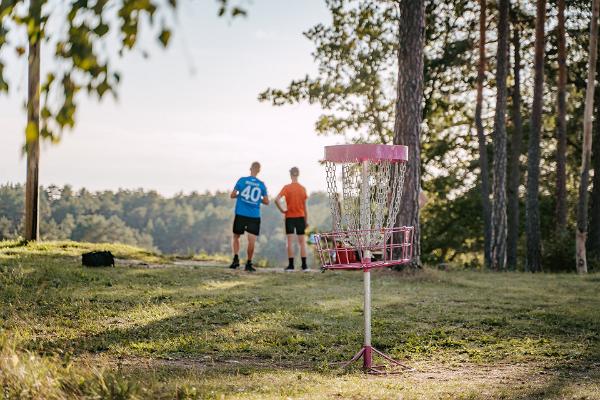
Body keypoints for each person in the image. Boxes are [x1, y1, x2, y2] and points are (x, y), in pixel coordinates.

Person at [229, 161, 269, 272]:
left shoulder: (242, 180)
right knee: (251, 240)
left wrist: (240, 195)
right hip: (254, 216)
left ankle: (236, 260)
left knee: (236, 236)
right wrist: (256, 199)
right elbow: (266, 201)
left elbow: (232, 195)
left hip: (241, 213)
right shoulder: (261, 184)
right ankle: (249, 263)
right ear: (259, 170)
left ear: (250, 169)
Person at [275, 166, 309, 271]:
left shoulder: (287, 187)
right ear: (298, 174)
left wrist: (282, 210)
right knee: (302, 242)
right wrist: (306, 221)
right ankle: (304, 266)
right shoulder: (302, 188)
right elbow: (305, 207)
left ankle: (291, 266)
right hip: (300, 217)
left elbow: (276, 199)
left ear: (290, 175)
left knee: (289, 242)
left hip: (289, 217)